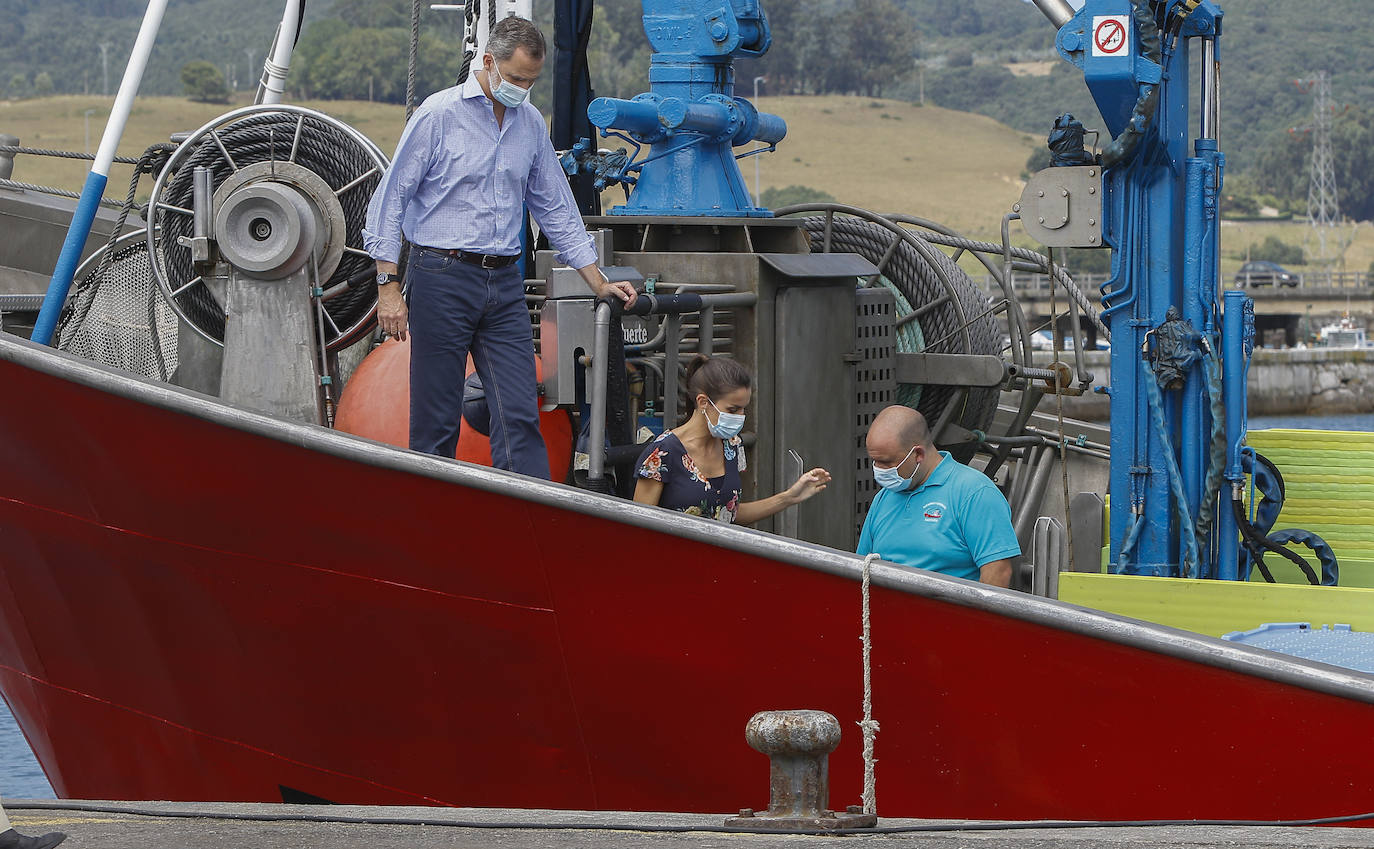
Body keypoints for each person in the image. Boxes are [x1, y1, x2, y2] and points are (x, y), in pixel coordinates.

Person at [363, 16, 636, 478]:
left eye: (530, 82)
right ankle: (431, 522)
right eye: (513, 79)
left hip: (504, 283)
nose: (521, 89)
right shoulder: (437, 115)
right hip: (440, 276)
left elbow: (556, 208)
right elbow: (390, 202)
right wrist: (388, 286)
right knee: (436, 417)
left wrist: (598, 282)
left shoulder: (529, 123)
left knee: (519, 412)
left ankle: (524, 524)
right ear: (487, 62)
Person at [633, 356, 831, 523]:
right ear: (703, 402)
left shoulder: (732, 445)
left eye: (744, 409)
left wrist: (789, 497)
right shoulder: (662, 453)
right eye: (733, 410)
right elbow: (639, 527)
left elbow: (730, 513)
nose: (740, 417)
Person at [858, 405, 1018, 586]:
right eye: (875, 461)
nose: (878, 470)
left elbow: (998, 572)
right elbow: (862, 565)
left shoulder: (975, 493)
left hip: (947, 611)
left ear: (918, 454)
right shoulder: (884, 498)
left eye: (886, 462)